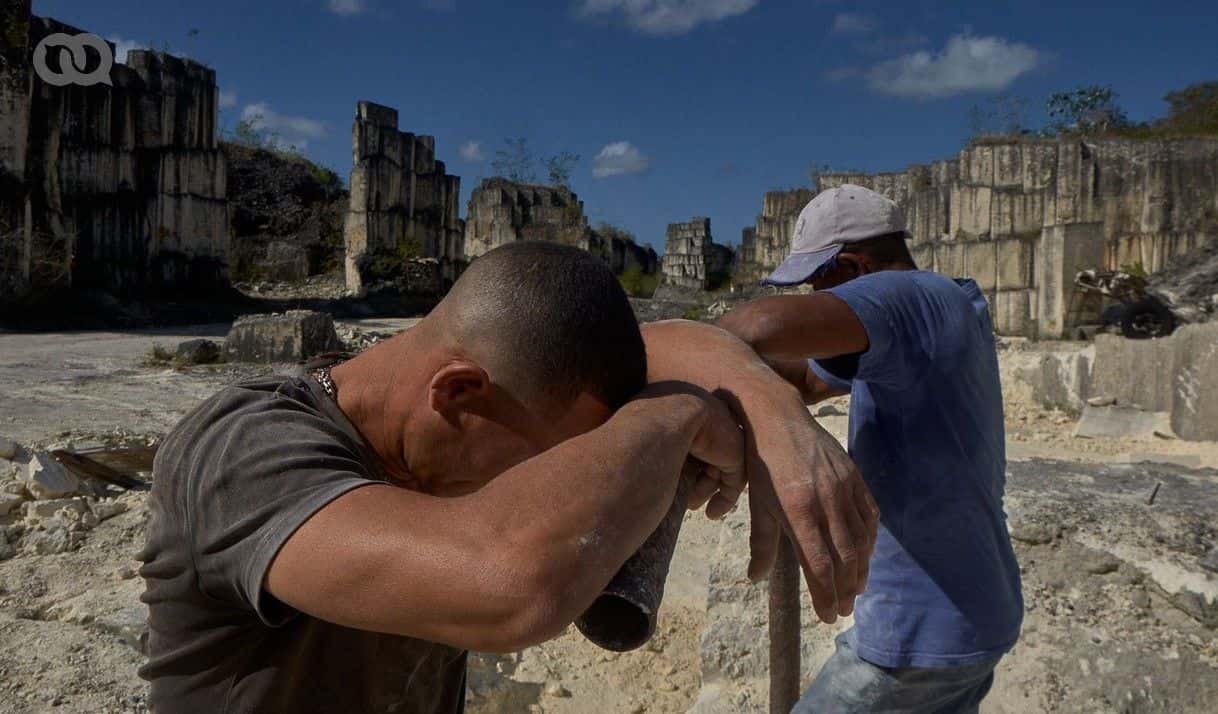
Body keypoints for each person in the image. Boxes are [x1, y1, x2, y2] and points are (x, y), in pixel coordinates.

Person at [139, 241, 877, 714]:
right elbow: (508, 586)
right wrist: (672, 416)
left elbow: (673, 340)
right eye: (541, 461)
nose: (547, 485)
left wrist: (777, 415)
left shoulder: (479, 409)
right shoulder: (243, 449)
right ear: (457, 392)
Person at [717, 185, 1024, 713]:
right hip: (970, 616)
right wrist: (756, 393)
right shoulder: (944, 307)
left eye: (818, 281)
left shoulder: (905, 298)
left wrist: (679, 353)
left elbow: (759, 327)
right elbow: (809, 381)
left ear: (856, 270)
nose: (814, 294)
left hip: (917, 634)